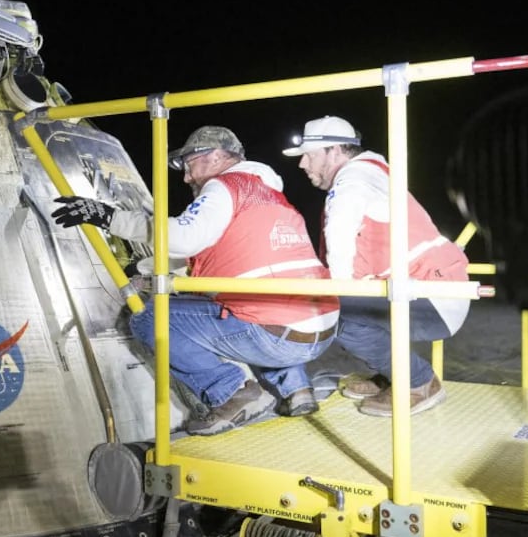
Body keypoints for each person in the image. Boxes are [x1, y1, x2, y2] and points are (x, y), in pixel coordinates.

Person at [51, 125, 339, 435]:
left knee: (150, 318)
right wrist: (146, 269)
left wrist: (108, 217)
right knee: (258, 306)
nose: (187, 177)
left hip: (275, 334)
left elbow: (186, 238)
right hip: (320, 328)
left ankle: (230, 392)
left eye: (190, 164)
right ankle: (297, 391)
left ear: (216, 157)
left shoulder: (225, 186)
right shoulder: (267, 194)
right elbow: (206, 257)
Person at [281, 115, 470, 416]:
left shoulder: (354, 179)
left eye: (309, 155)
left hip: (432, 294)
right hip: (431, 286)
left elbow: (340, 232)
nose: (303, 164)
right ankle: (392, 376)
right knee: (349, 310)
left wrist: (337, 293)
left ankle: (419, 383)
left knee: (340, 318)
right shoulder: (372, 172)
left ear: (335, 151)